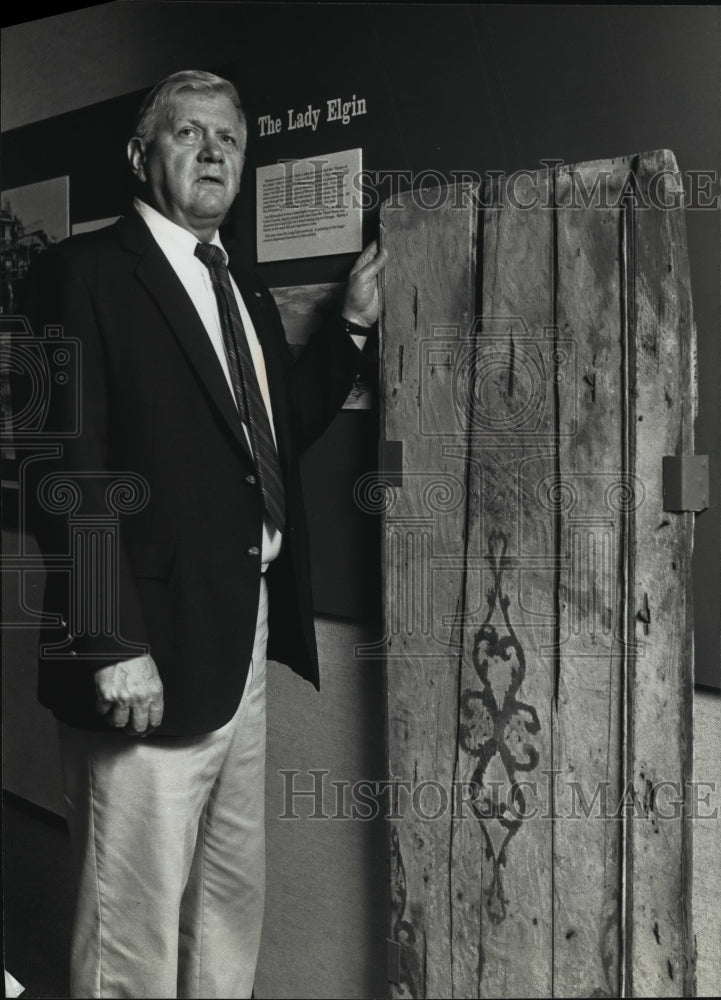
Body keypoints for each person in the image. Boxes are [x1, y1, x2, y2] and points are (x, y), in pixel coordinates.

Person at [22, 69, 385, 999]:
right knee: (129, 917)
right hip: (139, 642)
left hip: (242, 627)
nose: (214, 149)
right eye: (189, 133)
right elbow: (64, 468)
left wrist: (347, 326)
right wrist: (108, 639)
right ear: (143, 156)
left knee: (229, 890)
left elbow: (268, 435)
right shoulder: (82, 273)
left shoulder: (243, 288)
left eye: (228, 136)